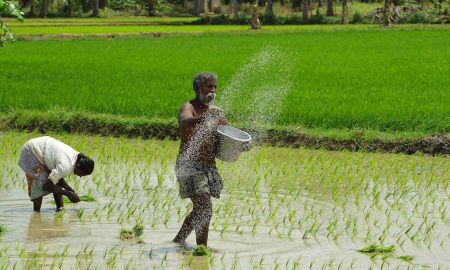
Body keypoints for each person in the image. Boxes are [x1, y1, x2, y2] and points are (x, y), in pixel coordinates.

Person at [173, 72, 228, 247]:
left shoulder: (216, 111)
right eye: (208, 86)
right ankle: (201, 250)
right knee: (204, 207)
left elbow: (227, 134)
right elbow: (185, 122)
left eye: (214, 86)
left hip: (209, 166)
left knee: (200, 208)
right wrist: (205, 118)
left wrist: (242, 144)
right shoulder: (189, 107)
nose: (212, 90)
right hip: (189, 165)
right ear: (198, 88)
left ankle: (179, 240)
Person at [18, 136, 94, 212]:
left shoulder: (75, 158)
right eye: (82, 174)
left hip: (42, 149)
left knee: (55, 182)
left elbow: (57, 178)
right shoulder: (66, 166)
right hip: (31, 152)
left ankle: (60, 209)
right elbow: (47, 186)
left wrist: (70, 190)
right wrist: (68, 194)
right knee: (40, 183)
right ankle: (36, 214)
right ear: (77, 167)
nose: (80, 176)